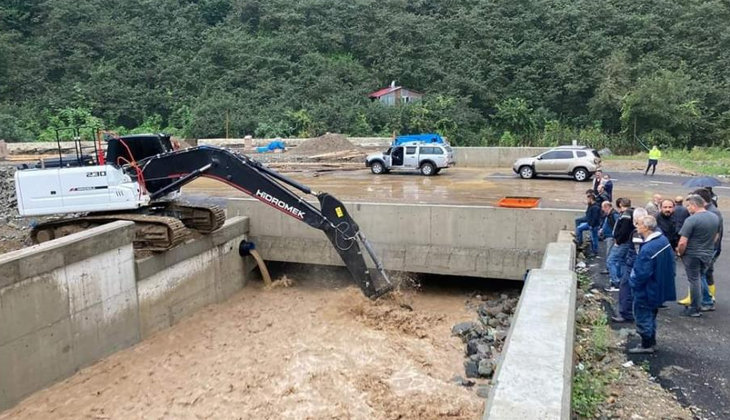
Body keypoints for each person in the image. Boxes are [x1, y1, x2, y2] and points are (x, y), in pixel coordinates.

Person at [628, 215, 676, 353]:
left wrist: (632, 283)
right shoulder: (663, 240)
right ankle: (651, 341)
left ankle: (646, 344)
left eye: (638, 224)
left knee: (643, 315)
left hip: (647, 289)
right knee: (651, 314)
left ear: (646, 227)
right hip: (658, 286)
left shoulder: (648, 249)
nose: (636, 226)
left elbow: (641, 273)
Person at [676, 194, 719, 316]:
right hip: (707, 253)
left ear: (694, 205)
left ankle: (694, 308)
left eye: (689, 205)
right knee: (700, 278)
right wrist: (708, 246)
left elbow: (683, 241)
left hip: (692, 254)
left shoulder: (691, 220)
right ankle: (707, 301)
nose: (687, 208)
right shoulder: (714, 217)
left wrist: (680, 252)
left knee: (694, 280)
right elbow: (716, 236)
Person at [607, 198, 636, 322]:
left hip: (622, 243)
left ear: (620, 205)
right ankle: (621, 279)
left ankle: (615, 281)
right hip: (626, 242)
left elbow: (623, 230)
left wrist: (618, 240)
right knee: (624, 262)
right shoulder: (630, 214)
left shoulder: (625, 216)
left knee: (611, 260)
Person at [575, 192, 601, 256]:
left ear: (591, 199)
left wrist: (591, 225)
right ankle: (579, 241)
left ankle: (595, 251)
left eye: (588, 199)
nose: (587, 201)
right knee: (579, 228)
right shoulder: (591, 206)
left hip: (593, 225)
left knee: (594, 238)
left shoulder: (595, 207)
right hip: (589, 224)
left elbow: (594, 218)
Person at [599, 201, 620, 275]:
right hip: (609, 236)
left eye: (603, 207)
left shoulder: (613, 214)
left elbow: (616, 226)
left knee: (610, 253)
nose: (602, 209)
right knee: (610, 253)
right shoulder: (610, 214)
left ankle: (610, 269)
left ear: (607, 207)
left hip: (611, 237)